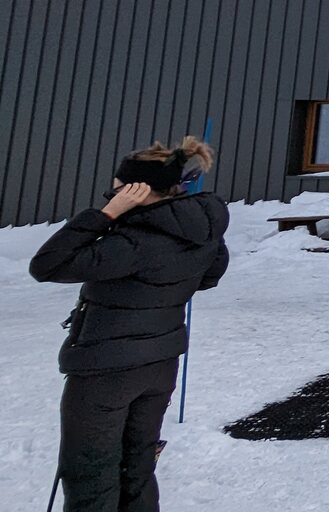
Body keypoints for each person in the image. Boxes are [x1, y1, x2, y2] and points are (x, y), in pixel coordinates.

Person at [30, 137, 231, 510]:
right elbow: (210, 274)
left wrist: (106, 214)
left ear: (136, 190)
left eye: (116, 188)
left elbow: (47, 265)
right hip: (160, 364)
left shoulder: (134, 240)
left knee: (91, 470)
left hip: (106, 371)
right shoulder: (198, 230)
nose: (112, 193)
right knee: (137, 466)